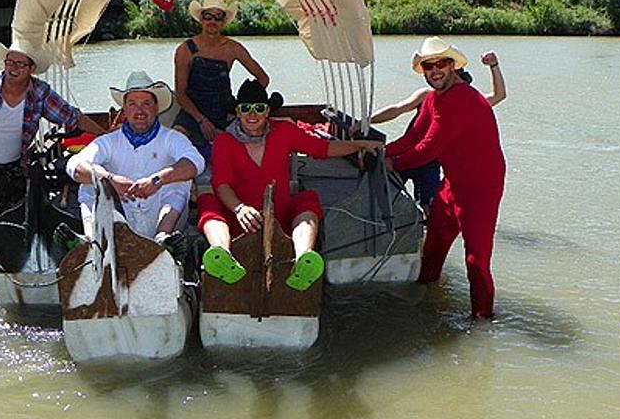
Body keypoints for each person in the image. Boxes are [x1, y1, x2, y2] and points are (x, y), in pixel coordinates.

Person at [0, 40, 106, 273]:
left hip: (13, 166)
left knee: (14, 222)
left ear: (31, 69)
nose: (13, 68)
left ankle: (12, 268)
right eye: (9, 62)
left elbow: (71, 117)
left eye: (20, 64)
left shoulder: (40, 93)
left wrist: (106, 136)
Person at [197, 79, 384, 291]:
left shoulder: (285, 131)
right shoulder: (224, 142)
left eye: (259, 108)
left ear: (267, 111)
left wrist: (360, 144)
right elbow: (221, 184)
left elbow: (323, 148)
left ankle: (304, 259)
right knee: (207, 202)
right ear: (237, 113)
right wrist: (240, 209)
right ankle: (222, 253)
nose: (252, 114)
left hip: (280, 214)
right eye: (245, 108)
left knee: (308, 200)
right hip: (238, 217)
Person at [383, 37, 506, 319]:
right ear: (423, 70)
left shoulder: (462, 99)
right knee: (435, 243)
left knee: (476, 260)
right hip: (453, 183)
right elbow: (413, 137)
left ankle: (482, 323)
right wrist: (380, 153)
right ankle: (424, 298)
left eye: (442, 63)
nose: (435, 70)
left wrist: (394, 163)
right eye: (429, 65)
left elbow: (428, 149)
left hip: (481, 190)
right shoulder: (434, 99)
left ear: (453, 66)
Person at [65, 71, 205, 246]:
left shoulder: (172, 138)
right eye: (133, 104)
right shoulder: (108, 141)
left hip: (161, 215)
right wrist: (110, 180)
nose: (139, 111)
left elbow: (196, 163)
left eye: (146, 104)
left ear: (156, 108)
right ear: (124, 110)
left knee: (179, 180)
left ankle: (163, 239)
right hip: (120, 217)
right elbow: (74, 165)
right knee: (90, 181)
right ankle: (91, 240)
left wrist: (157, 180)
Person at [369, 49, 506, 211]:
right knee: (382, 195)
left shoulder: (469, 103)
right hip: (406, 153)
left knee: (429, 207)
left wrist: (494, 66)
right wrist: (367, 121)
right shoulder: (427, 95)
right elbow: (397, 109)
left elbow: (499, 95)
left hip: (430, 162)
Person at [173, 0, 269, 160]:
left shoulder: (233, 48)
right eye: (208, 16)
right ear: (201, 19)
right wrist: (201, 120)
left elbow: (263, 79)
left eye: (218, 17)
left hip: (225, 112)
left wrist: (240, 108)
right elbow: (180, 94)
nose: (212, 21)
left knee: (249, 146)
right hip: (192, 111)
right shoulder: (185, 50)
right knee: (176, 139)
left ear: (224, 21)